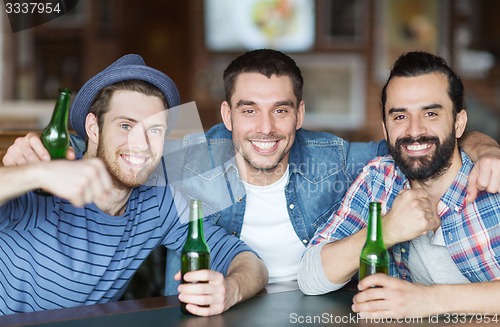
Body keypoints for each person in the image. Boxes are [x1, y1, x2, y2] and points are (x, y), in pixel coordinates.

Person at [4, 50, 500, 296]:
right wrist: (33, 166)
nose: (265, 127)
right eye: (248, 110)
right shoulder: (188, 149)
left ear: (300, 115)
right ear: (224, 114)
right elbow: (111, 146)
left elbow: (415, 146)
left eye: (281, 111)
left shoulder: (332, 156)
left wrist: (485, 146)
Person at [0, 54, 268, 316]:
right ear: (93, 129)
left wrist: (230, 290)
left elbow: (248, 261)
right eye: (126, 126)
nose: (141, 145)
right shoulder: (46, 184)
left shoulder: (159, 202)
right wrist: (33, 174)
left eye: (154, 130)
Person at [297, 51, 500, 318]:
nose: (414, 131)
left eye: (430, 114)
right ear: (385, 128)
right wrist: (386, 229)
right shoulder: (379, 178)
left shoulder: (492, 179)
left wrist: (429, 300)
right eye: (400, 116)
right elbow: (310, 277)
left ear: (459, 122)